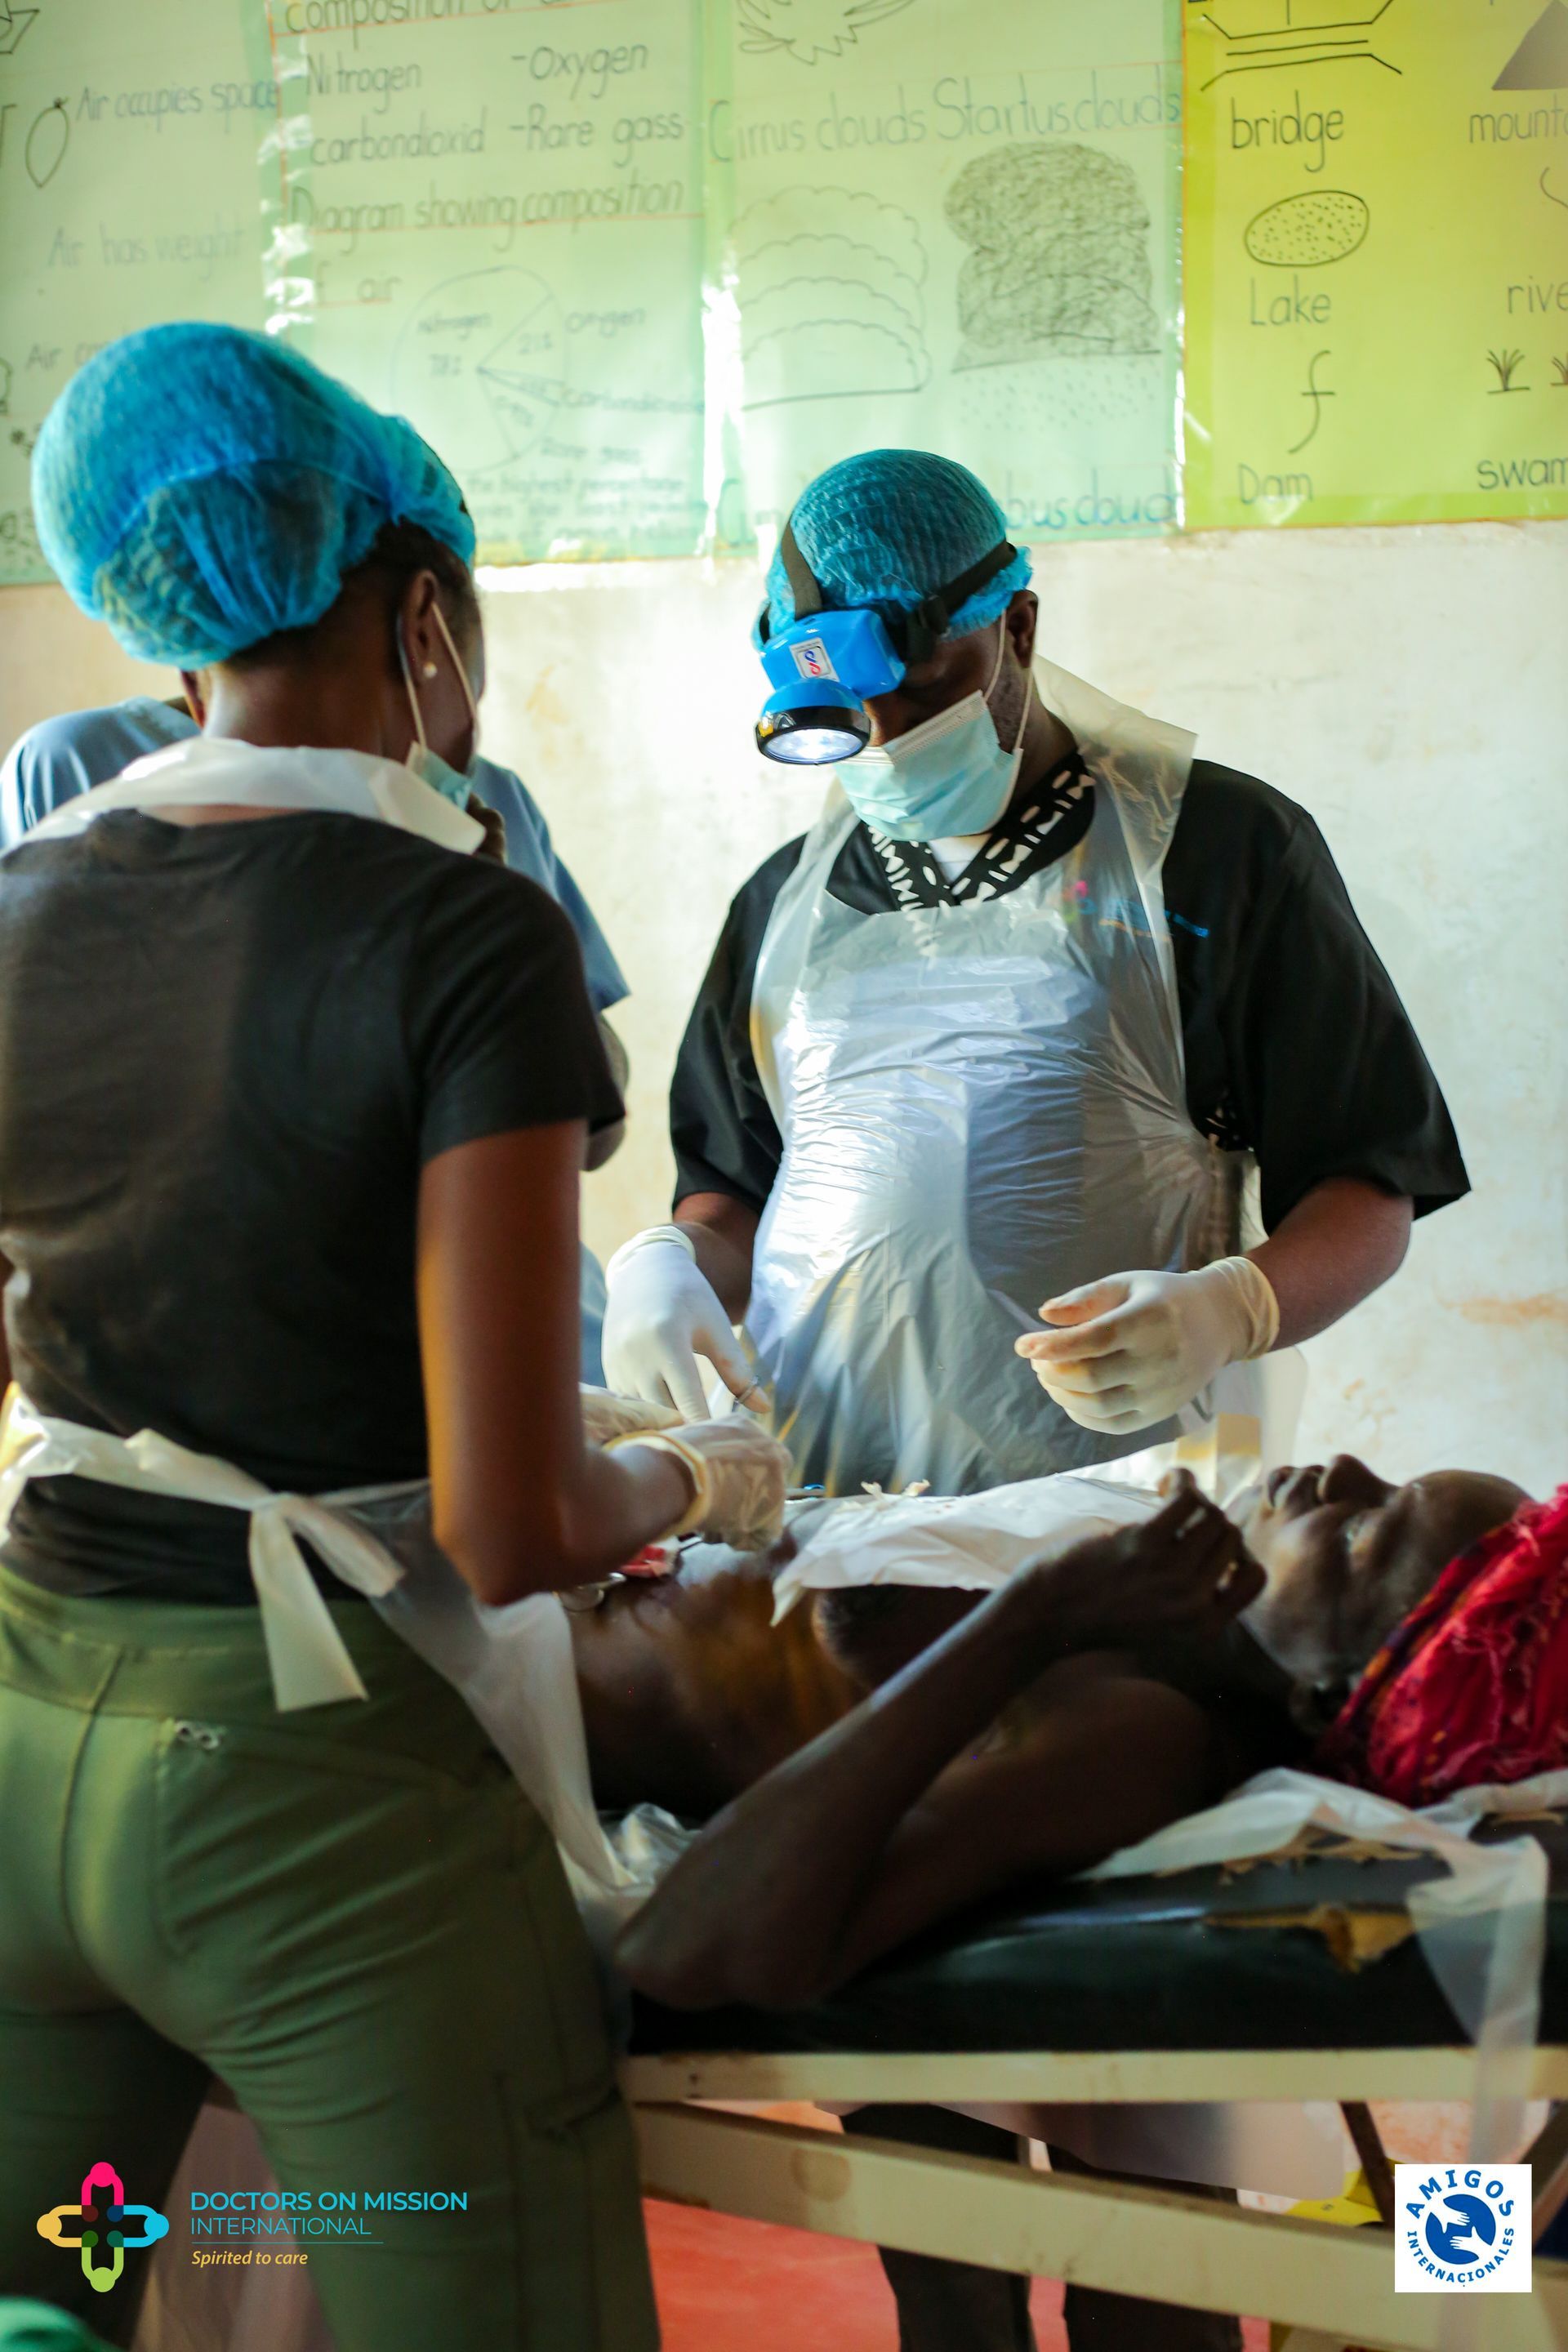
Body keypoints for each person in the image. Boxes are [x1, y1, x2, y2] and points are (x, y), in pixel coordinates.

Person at [0, 322, 788, 2352]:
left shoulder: (21, 902)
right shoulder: (461, 928)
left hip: (27, 1750)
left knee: (53, 2308)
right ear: (418, 599)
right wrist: (696, 1471)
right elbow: (514, 1526)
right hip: (309, 1807)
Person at [603, 449, 1469, 1486]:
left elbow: (1368, 1183)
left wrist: (1236, 1307)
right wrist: (670, 1268)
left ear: (1018, 628)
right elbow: (732, 1193)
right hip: (829, 1510)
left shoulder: (1215, 852)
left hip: (1126, 1508)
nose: (885, 742)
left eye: (923, 690)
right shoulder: (787, 904)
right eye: (847, 717)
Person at [0, 695, 630, 1382]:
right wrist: (681, 1471)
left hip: (526, 1347)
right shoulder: (78, 767)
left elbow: (591, 1117)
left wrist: (503, 965)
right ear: (424, 623)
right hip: (280, 1370)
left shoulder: (481, 798)